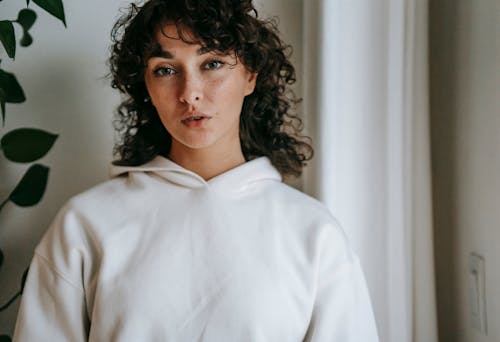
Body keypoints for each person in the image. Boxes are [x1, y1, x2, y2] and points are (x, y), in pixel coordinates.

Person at [13, 0, 379, 341]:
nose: (190, 93)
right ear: (147, 89)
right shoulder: (85, 224)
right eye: (166, 70)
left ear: (250, 75)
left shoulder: (314, 234)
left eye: (213, 63)